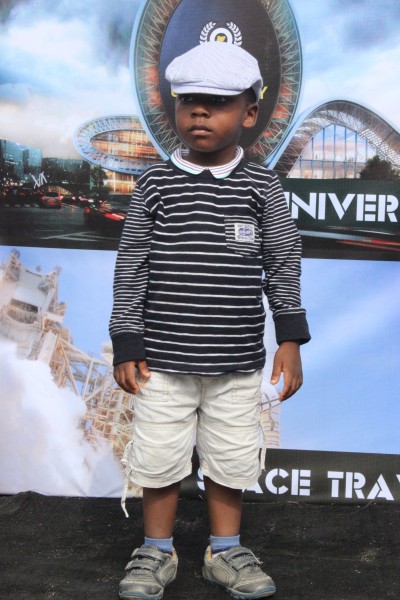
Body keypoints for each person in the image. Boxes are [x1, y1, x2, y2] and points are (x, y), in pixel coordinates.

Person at [109, 41, 311, 600]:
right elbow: (131, 268)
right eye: (188, 100)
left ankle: (225, 552)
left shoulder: (262, 187)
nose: (200, 111)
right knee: (157, 456)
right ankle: (156, 550)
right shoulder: (154, 186)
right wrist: (126, 340)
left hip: (237, 362)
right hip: (161, 364)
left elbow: (283, 262)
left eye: (218, 102)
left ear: (249, 113)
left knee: (231, 457)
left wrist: (290, 338)